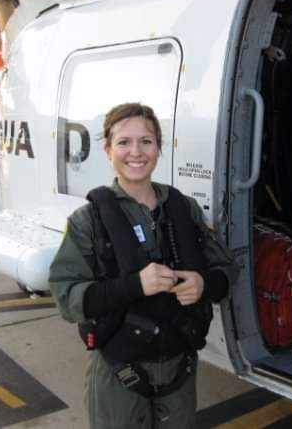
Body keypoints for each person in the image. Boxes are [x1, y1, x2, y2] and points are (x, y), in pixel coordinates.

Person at [49, 102, 237, 429]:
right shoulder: (87, 220)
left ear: (159, 149)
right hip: (119, 371)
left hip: (179, 368)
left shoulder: (183, 209)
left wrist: (205, 284)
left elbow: (227, 270)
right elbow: (67, 296)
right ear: (108, 150)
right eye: (123, 142)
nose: (135, 152)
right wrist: (135, 285)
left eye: (146, 141)